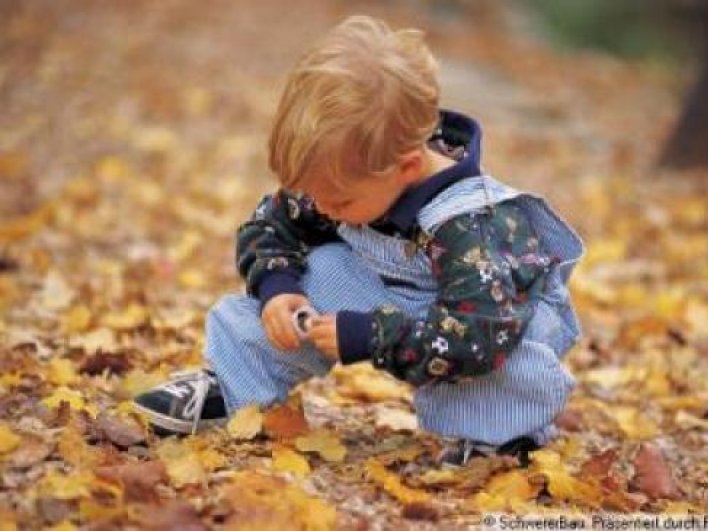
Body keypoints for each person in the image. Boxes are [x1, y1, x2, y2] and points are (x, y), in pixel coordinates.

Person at [133, 15, 583, 468]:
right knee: (321, 268)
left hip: (484, 328)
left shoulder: (473, 225)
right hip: (394, 297)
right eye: (316, 196)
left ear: (406, 168)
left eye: (340, 201)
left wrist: (370, 336)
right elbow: (271, 225)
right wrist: (278, 289)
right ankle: (230, 382)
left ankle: (502, 438)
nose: (324, 209)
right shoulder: (347, 173)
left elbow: (477, 337)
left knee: (509, 362)